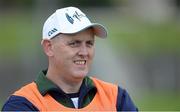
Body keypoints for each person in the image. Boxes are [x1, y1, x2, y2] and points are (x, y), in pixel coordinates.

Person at [2, 6, 138, 111]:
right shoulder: (23, 103)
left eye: (89, 43)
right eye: (74, 43)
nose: (84, 52)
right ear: (49, 47)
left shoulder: (116, 98)